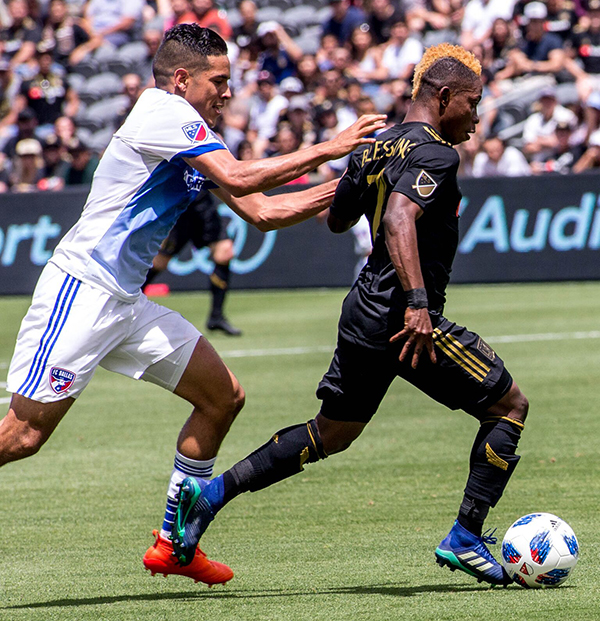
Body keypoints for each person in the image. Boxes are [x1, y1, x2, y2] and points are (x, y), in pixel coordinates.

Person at [0, 23, 385, 587]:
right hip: (80, 292)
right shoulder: (162, 111)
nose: (228, 92)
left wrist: (353, 185)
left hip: (125, 303)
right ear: (182, 79)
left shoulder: (195, 131)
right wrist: (333, 146)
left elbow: (263, 212)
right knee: (23, 436)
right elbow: (239, 175)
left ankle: (175, 543)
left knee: (222, 397)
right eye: (219, 81)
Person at [170, 43, 529, 588]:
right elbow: (400, 221)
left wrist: (365, 184)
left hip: (361, 311)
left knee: (331, 434)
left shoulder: (373, 148)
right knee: (509, 406)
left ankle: (212, 495)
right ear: (445, 96)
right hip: (402, 319)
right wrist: (417, 306)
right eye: (473, 104)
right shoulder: (437, 154)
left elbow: (339, 221)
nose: (477, 118)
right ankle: (466, 536)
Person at [144, 192, 243, 336]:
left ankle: (216, 317)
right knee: (160, 262)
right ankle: (127, 305)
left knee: (225, 252)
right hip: (180, 208)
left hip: (204, 205)